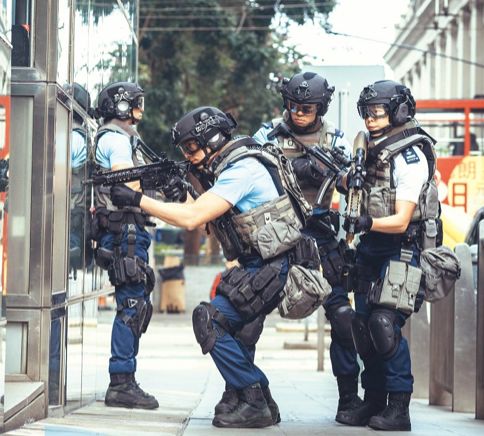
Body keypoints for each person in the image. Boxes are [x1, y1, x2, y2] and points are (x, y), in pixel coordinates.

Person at [109, 106, 323, 428]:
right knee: (233, 327)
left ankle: (254, 397)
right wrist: (181, 194)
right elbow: (206, 222)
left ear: (212, 139)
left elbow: (193, 218)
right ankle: (254, 398)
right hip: (260, 264)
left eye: (191, 147)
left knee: (209, 319)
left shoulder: (241, 169)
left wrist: (137, 199)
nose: (189, 156)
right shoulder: (233, 166)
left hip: (274, 266)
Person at [253, 71, 362, 422]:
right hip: (276, 232)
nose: (299, 113)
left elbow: (349, 182)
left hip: (320, 233)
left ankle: (349, 398)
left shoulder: (336, 139)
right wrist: (293, 170)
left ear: (320, 108)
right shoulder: (267, 134)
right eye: (294, 106)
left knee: (342, 317)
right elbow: (250, 172)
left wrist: (344, 178)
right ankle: (243, 393)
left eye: (307, 108)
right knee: (248, 313)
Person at [337, 80, 440, 431]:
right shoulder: (370, 148)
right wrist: (345, 181)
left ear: (399, 111)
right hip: (370, 248)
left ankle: (399, 407)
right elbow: (353, 188)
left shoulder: (410, 155)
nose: (370, 119)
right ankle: (374, 399)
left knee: (384, 325)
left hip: (402, 246)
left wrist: (365, 221)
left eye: (377, 112)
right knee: (363, 326)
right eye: (365, 112)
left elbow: (401, 220)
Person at [92, 81, 158, 409]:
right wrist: (153, 183)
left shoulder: (124, 138)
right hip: (124, 231)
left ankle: (125, 379)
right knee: (131, 306)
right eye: (135, 103)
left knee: (136, 304)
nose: (139, 109)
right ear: (120, 106)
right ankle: (121, 383)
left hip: (128, 230)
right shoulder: (116, 140)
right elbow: (127, 184)